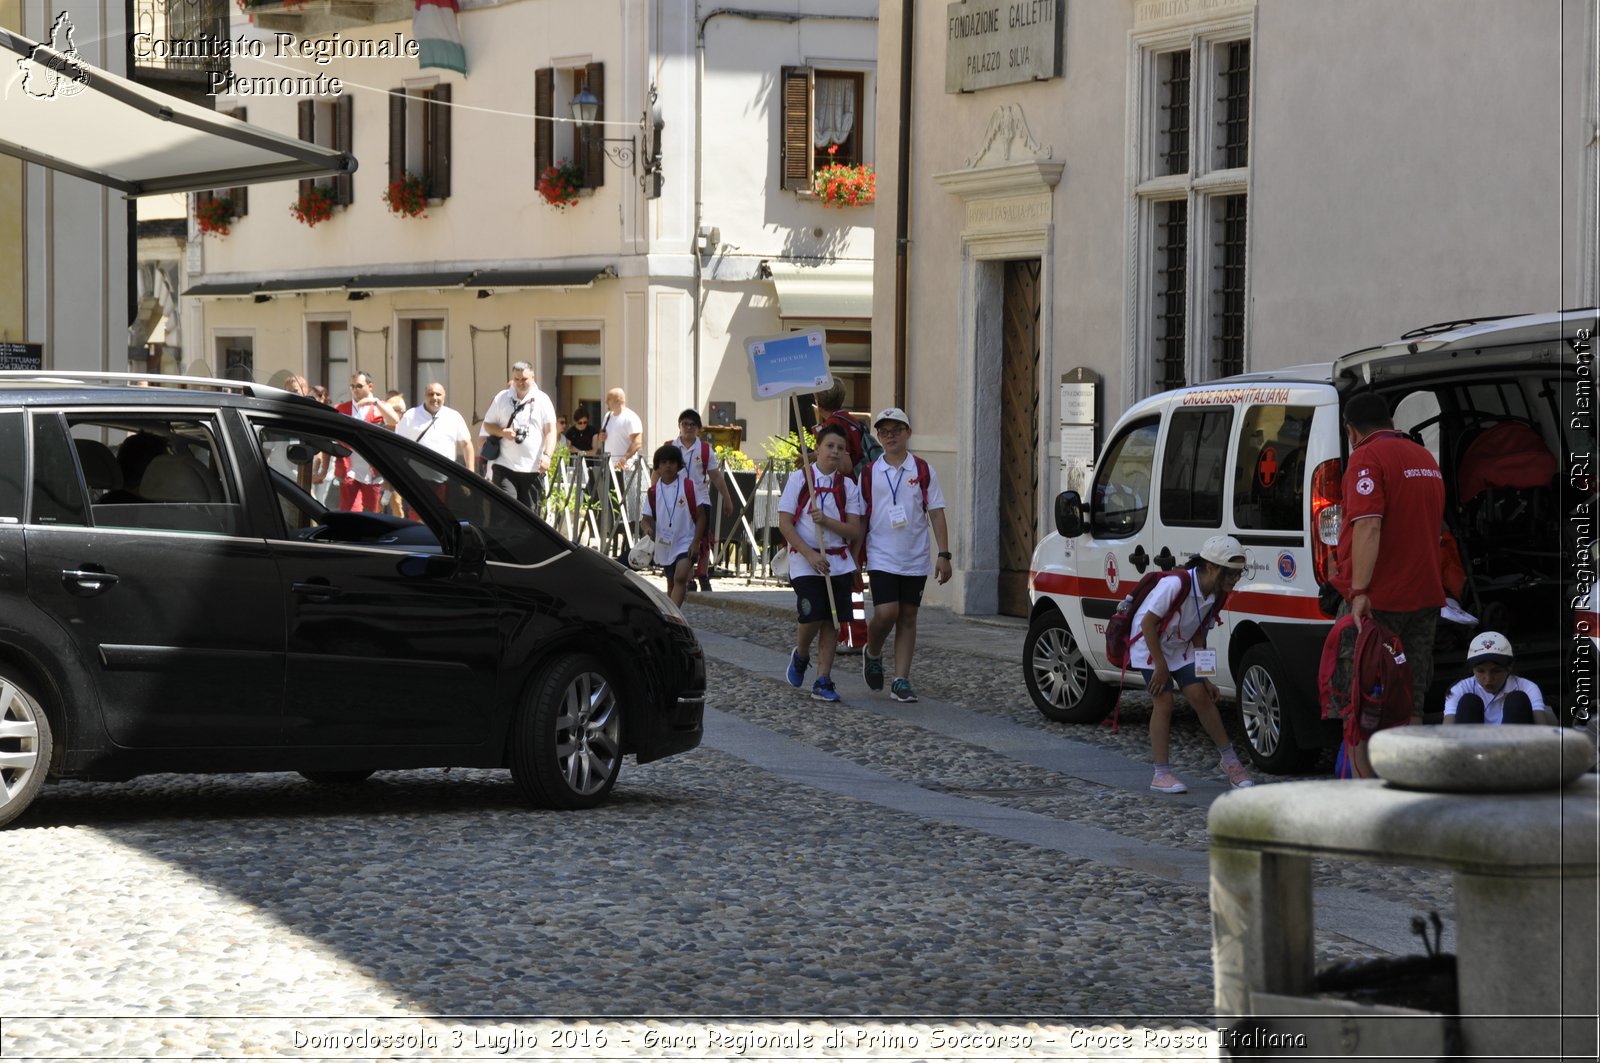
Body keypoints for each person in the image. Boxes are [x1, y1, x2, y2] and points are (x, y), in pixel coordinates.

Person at [1334, 391, 1446, 722]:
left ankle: (1366, 772)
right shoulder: (1423, 457)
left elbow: (1368, 525)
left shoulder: (1366, 457)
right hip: (1425, 596)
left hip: (1381, 599)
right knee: (1411, 696)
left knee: (1359, 697)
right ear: (1391, 422)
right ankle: (1406, 771)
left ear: (1351, 430)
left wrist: (1359, 591)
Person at [1135, 534, 1255, 793]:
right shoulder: (1176, 585)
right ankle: (1161, 774)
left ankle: (1231, 762)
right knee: (1164, 701)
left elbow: (1199, 632)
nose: (1235, 579)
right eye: (1231, 573)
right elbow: (1147, 624)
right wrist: (1160, 666)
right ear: (1211, 567)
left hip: (1179, 643)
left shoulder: (1216, 592)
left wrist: (1205, 677)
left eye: (1238, 573)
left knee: (1201, 696)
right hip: (1150, 643)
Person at [856, 408, 952, 704]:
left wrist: (944, 554)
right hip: (881, 554)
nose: (890, 436)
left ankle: (901, 679)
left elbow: (936, 513)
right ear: (878, 437)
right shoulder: (871, 472)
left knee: (908, 616)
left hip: (914, 556)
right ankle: (872, 652)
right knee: (886, 613)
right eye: (884, 432)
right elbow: (861, 518)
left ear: (908, 433)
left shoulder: (922, 470)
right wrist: (853, 558)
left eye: (896, 430)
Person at [777, 422, 864, 703]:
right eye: (830, 446)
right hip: (805, 559)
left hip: (838, 560)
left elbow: (854, 530)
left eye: (841, 448)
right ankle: (801, 653)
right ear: (817, 449)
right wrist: (809, 554)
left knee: (832, 621)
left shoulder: (848, 487)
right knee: (812, 612)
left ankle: (823, 679)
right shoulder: (800, 479)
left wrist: (826, 521)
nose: (835, 452)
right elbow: (784, 522)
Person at [664, 409, 734, 591]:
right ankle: (687, 577)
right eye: (685, 424)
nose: (688, 428)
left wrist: (727, 498)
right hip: (676, 500)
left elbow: (716, 476)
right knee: (680, 538)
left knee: (702, 539)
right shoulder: (670, 447)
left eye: (692, 424)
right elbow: (658, 472)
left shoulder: (704, 449)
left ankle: (703, 574)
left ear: (698, 428)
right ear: (679, 426)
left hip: (700, 499)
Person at [483, 361, 558, 513]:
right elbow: (487, 425)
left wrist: (547, 456)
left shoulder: (542, 400)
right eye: (516, 379)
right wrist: (502, 432)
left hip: (532, 468)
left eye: (524, 379)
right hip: (505, 466)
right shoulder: (502, 398)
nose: (520, 383)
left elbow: (551, 431)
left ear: (533, 378)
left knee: (529, 516)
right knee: (505, 513)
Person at [640, 444, 705, 607]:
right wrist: (647, 528)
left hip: (686, 540)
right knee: (670, 582)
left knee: (681, 577)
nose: (667, 466)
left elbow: (701, 516)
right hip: (665, 543)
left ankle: (674, 615)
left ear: (678, 465)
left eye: (671, 462)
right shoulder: (653, 492)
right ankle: (670, 614)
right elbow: (645, 518)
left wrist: (696, 541)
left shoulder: (689, 487)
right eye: (663, 462)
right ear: (657, 467)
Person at [1443, 631, 1554, 725]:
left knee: (1517, 700)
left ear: (1509, 667)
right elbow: (1446, 733)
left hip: (1515, 747)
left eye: (1496, 671)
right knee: (1468, 702)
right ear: (1472, 669)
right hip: (1475, 747)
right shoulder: (1459, 689)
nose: (1488, 679)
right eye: (1481, 671)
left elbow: (1542, 728)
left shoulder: (1528, 688)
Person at [396, 383, 474, 512]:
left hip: (445, 479)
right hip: (417, 479)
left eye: (438, 394)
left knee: (443, 517)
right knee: (420, 517)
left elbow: (466, 444)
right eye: (431, 394)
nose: (435, 397)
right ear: (424, 396)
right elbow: (398, 446)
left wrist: (470, 474)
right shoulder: (410, 416)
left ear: (444, 396)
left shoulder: (453, 417)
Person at [334, 371, 390, 511]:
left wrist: (376, 402)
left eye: (359, 386)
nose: (355, 390)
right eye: (352, 386)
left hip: (372, 470)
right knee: (348, 513)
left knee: (372, 514)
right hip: (349, 469)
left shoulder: (378, 408)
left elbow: (395, 421)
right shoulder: (341, 409)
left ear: (370, 386)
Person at [811, 377, 866, 479]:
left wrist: (814, 456)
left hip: (844, 485)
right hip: (860, 478)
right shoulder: (851, 419)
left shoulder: (833, 425)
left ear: (819, 403)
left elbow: (845, 467)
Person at [596, 388, 643, 472]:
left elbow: (637, 442)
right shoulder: (608, 416)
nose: (606, 402)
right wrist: (600, 437)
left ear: (618, 401)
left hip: (626, 468)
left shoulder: (631, 417)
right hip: (609, 466)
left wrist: (624, 459)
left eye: (609, 399)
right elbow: (601, 434)